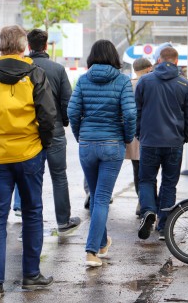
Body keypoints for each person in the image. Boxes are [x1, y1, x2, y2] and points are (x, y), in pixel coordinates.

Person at [0, 25, 56, 299]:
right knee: (31, 212)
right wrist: (42, 144)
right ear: (23, 46)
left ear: (0, 46)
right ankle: (31, 274)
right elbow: (48, 116)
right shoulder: (35, 74)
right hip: (29, 153)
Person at [67, 39, 136, 267]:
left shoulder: (84, 80)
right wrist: (127, 137)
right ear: (114, 57)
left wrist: (81, 136)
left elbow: (73, 111)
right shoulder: (123, 81)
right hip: (112, 143)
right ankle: (91, 250)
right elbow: (129, 115)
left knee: (97, 196)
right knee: (102, 197)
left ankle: (103, 241)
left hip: (87, 144)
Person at [135, 47, 188, 240]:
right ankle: (164, 226)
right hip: (174, 143)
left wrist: (139, 133)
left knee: (146, 180)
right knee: (169, 183)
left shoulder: (145, 81)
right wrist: (184, 136)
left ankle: (148, 211)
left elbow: (137, 111)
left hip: (149, 141)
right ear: (177, 62)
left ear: (159, 60)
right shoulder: (184, 84)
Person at [27, 29, 80, 235]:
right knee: (59, 176)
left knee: (31, 177)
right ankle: (63, 221)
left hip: (28, 130)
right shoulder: (58, 69)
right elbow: (67, 100)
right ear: (46, 44)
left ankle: (30, 225)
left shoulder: (24, 67)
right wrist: (64, 122)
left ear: (28, 46)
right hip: (55, 128)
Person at [126, 58, 153, 216]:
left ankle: (140, 201)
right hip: (148, 131)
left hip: (132, 133)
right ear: (149, 68)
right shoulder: (150, 83)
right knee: (150, 171)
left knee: (137, 170)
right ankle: (147, 203)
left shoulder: (127, 84)